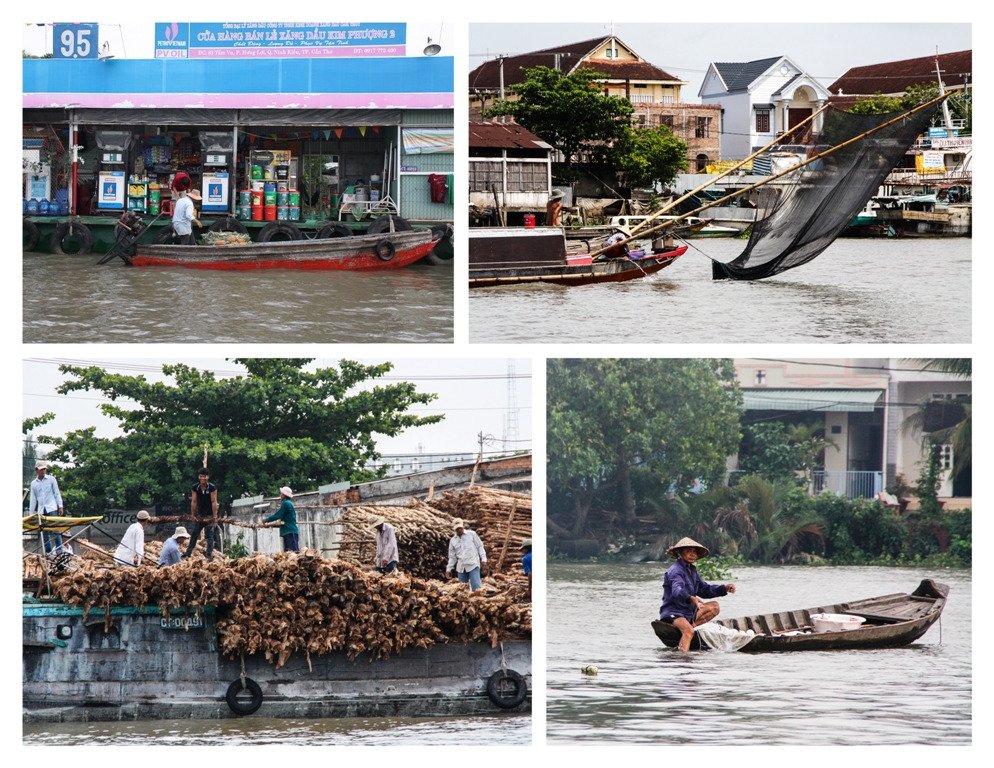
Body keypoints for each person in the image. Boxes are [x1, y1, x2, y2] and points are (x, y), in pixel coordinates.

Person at [658, 537, 736, 652]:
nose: (692, 554)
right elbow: (677, 590)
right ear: (680, 552)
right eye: (688, 551)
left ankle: (689, 627)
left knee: (715, 606)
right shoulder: (676, 571)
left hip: (688, 612)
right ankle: (682, 657)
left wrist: (724, 588)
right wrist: (690, 598)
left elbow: (704, 589)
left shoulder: (692, 570)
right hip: (674, 612)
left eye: (694, 551)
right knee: (688, 631)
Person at [28, 460, 65, 554]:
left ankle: (59, 550)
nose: (43, 471)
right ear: (36, 470)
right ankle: (48, 552)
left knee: (56, 529)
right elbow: (33, 499)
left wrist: (60, 506)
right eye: (41, 469)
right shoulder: (34, 483)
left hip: (52, 507)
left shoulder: (51, 479)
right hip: (41, 510)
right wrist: (31, 514)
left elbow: (57, 493)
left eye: (44, 469)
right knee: (45, 533)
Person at [446, 518, 487, 591]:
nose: (459, 530)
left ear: (463, 527)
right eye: (457, 529)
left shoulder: (472, 534)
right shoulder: (453, 540)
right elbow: (452, 557)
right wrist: (448, 569)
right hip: (461, 567)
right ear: (454, 529)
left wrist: (483, 559)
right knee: (463, 589)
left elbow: (480, 546)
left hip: (473, 564)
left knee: (476, 587)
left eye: (460, 528)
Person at [187, 467, 218, 561]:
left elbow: (214, 502)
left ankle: (209, 555)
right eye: (201, 476)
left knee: (210, 535)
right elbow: (194, 501)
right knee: (195, 533)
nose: (202, 478)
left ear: (207, 477)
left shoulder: (212, 488)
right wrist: (193, 514)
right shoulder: (195, 487)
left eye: (204, 476)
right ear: (198, 477)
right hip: (201, 514)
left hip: (210, 515)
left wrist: (215, 517)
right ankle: (188, 553)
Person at [266, 486, 299, 552]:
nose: (280, 495)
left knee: (294, 553)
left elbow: (278, 515)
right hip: (288, 531)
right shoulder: (288, 503)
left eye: (281, 494)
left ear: (284, 495)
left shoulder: (286, 503)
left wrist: (267, 520)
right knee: (288, 554)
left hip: (290, 531)